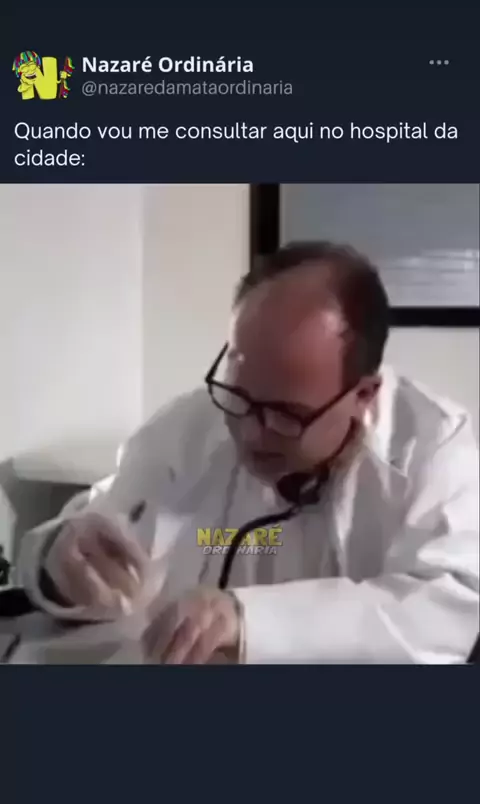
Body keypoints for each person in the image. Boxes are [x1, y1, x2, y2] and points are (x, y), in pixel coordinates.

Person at [18, 242, 479, 664]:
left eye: (286, 414)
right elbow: (103, 524)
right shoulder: (191, 426)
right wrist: (58, 562)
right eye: (239, 397)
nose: (251, 433)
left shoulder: (433, 447)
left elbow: (442, 611)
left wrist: (248, 621)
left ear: (364, 394)